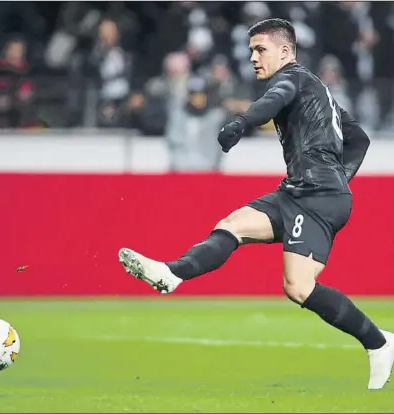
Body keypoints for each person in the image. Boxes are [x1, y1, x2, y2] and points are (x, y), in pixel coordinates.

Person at [118, 18, 393, 390]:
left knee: (298, 287)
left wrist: (241, 122)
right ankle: (172, 273)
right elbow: (359, 138)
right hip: (299, 191)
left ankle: (378, 342)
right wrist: (339, 178)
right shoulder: (317, 89)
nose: (253, 57)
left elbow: (275, 99)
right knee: (234, 224)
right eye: (250, 50)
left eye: (260, 49)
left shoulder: (292, 79)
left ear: (285, 51)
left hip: (316, 197)